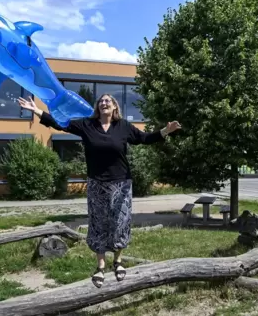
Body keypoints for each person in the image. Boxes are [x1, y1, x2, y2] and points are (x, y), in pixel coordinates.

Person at [18, 93, 181, 288]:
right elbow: (62, 124)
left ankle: (118, 261)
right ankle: (101, 266)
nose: (104, 103)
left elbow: (144, 139)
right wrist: (37, 111)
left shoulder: (123, 127)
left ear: (114, 107)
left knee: (120, 223)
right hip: (97, 183)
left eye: (108, 101)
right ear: (98, 107)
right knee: (98, 224)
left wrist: (166, 131)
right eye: (101, 101)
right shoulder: (87, 125)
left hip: (121, 183)